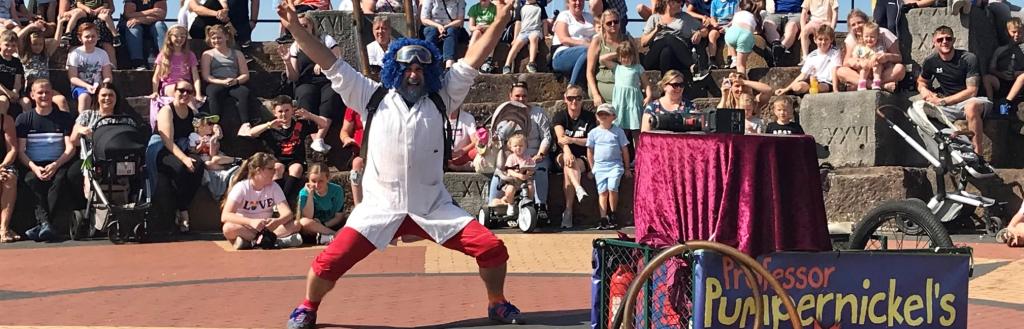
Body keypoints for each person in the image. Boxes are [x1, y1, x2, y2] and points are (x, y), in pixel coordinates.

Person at [278, 0, 524, 325]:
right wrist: (295, 28)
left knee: (493, 249)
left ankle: (497, 302)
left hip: (432, 207)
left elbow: (473, 59)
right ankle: (308, 306)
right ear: (394, 68)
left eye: (421, 68)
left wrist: (501, 19)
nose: (414, 73)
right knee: (327, 263)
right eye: (408, 67)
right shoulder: (370, 95)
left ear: (430, 70)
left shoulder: (443, 96)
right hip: (380, 208)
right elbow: (328, 62)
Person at [17, 79, 78, 242]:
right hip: (33, 165)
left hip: (57, 163)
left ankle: (42, 225)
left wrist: (56, 164)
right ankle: (45, 224)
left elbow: (70, 148)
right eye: (40, 92)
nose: (44, 95)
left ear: (52, 94)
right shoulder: (24, 119)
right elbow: (21, 151)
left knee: (58, 182)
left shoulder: (64, 118)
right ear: (32, 95)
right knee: (31, 181)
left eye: (47, 92)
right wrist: (35, 168)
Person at [239, 95, 328, 204]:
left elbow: (324, 124)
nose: (284, 114)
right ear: (274, 112)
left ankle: (281, 201)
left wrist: (309, 115)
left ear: (292, 110)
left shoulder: (300, 125)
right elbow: (251, 133)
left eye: (287, 110)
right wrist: (268, 125)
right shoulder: (271, 127)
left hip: (295, 159)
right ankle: (277, 201)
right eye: (280, 111)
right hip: (276, 159)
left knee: (296, 169)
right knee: (277, 168)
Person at [917, 26, 992, 155]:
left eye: (948, 38)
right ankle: (938, 153)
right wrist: (924, 91)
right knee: (918, 109)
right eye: (940, 39)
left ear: (954, 40)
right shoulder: (931, 61)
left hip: (974, 100)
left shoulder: (968, 58)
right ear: (934, 42)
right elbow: (921, 81)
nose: (944, 42)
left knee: (971, 107)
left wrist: (942, 101)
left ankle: (977, 153)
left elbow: (972, 91)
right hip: (948, 105)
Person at [486, 81, 552, 219]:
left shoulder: (538, 113)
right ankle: (492, 206)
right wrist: (513, 120)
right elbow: (499, 137)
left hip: (534, 155)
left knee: (540, 169)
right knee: (499, 171)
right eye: (517, 96)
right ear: (510, 96)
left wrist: (540, 153)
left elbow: (546, 137)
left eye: (524, 96)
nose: (521, 99)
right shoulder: (504, 113)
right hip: (512, 156)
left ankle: (541, 206)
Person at [280, 13, 342, 152]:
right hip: (306, 81)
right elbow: (294, 76)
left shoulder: (325, 39)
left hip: (327, 78)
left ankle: (320, 136)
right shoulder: (295, 46)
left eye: (305, 25)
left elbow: (338, 58)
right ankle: (314, 135)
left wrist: (324, 62)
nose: (303, 28)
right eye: (299, 26)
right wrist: (287, 62)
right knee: (306, 95)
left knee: (332, 94)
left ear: (312, 26)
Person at [221, 152, 303, 249]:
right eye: (270, 168)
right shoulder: (241, 187)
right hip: (247, 228)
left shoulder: (274, 187)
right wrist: (251, 222)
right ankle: (275, 241)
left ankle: (256, 242)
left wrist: (277, 221)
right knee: (228, 228)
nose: (274, 171)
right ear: (259, 170)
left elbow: (287, 213)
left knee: (296, 224)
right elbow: (225, 216)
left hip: (268, 229)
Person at [155, 80, 206, 233]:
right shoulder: (167, 110)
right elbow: (167, 141)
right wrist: (184, 159)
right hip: (164, 149)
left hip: (184, 148)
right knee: (180, 168)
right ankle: (182, 211)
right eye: (181, 90)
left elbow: (193, 136)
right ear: (174, 91)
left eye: (189, 92)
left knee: (198, 166)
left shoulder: (191, 113)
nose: (185, 94)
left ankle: (182, 206)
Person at [551, 84, 595, 229]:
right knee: (568, 161)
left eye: (578, 98)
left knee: (568, 168)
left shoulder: (589, 117)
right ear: (565, 99)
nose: (574, 102)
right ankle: (578, 188)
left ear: (583, 99)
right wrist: (568, 151)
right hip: (563, 154)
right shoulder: (560, 116)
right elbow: (560, 138)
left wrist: (573, 140)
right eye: (570, 98)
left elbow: (591, 140)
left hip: (583, 156)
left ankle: (568, 210)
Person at [834, 9, 905, 92]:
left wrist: (887, 57)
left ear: (867, 22)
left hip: (881, 72)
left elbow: (899, 57)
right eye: (853, 25)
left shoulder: (883, 33)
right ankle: (879, 85)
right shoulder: (851, 38)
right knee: (840, 71)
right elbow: (846, 63)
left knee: (900, 69)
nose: (857, 26)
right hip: (862, 73)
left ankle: (867, 84)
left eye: (860, 22)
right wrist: (857, 61)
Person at [599, 41, 651, 145]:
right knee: (621, 132)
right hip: (621, 104)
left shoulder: (638, 68)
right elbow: (602, 59)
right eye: (623, 57)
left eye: (628, 56)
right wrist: (618, 52)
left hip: (633, 103)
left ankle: (638, 157)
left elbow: (646, 84)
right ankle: (622, 158)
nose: (626, 59)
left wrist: (648, 96)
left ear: (633, 56)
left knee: (637, 132)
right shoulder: (617, 67)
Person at [587, 103, 629, 230]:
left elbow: (625, 149)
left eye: (606, 114)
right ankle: (603, 217)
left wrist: (627, 168)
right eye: (601, 114)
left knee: (612, 188)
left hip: (615, 165)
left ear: (613, 117)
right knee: (602, 191)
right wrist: (592, 168)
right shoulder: (593, 133)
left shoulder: (618, 131)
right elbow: (590, 151)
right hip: (599, 166)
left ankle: (613, 213)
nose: (603, 116)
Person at [202, 24, 254, 126]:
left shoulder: (237, 54)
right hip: (217, 81)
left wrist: (236, 81)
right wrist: (221, 82)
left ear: (226, 37)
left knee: (244, 93)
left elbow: (245, 74)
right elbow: (206, 76)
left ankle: (246, 124)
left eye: (219, 38)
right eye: (214, 38)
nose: (217, 40)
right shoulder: (208, 54)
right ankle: (215, 124)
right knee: (212, 93)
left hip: (233, 82)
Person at [150, 25, 202, 127]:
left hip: (186, 85)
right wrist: (155, 91)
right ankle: (197, 115)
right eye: (176, 36)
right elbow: (156, 76)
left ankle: (194, 118)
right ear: (170, 37)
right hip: (169, 85)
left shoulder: (190, 55)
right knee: (180, 92)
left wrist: (198, 93)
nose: (180, 39)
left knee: (185, 92)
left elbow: (195, 77)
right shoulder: (164, 55)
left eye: (183, 36)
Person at [639, 0, 705, 79]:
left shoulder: (685, 18)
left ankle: (666, 85)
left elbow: (705, 30)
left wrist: (699, 33)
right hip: (654, 58)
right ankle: (691, 65)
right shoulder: (654, 18)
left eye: (682, 2)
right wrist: (656, 31)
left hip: (676, 58)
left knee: (667, 52)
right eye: (678, 1)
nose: (681, 4)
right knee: (668, 38)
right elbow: (643, 42)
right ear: (668, 2)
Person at [775, 24, 839, 95]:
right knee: (798, 87)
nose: (823, 42)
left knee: (820, 87)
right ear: (815, 40)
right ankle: (809, 89)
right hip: (812, 81)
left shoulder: (834, 52)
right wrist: (786, 89)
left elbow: (834, 69)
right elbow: (803, 75)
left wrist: (835, 89)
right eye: (820, 39)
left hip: (826, 82)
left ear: (831, 40)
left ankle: (811, 89)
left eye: (826, 39)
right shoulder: (812, 55)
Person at [18, 29, 69, 113]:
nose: (38, 47)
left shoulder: (45, 55)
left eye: (40, 44)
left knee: (61, 99)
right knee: (26, 103)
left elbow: (57, 41)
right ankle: (31, 123)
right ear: (29, 44)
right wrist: (32, 26)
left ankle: (66, 124)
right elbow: (18, 38)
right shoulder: (24, 55)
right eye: (34, 44)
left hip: (46, 87)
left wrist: (60, 23)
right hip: (31, 88)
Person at [66, 22, 113, 114]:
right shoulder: (75, 54)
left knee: (107, 95)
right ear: (80, 38)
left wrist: (103, 84)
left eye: (93, 36)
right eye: (87, 37)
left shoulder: (102, 53)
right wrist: (87, 86)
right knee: (85, 97)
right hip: (80, 87)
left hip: (99, 85)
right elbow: (72, 78)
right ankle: (83, 122)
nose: (90, 39)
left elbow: (108, 75)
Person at [587, 9, 631, 106]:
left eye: (616, 22)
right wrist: (595, 94)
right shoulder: (597, 41)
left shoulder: (627, 40)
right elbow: (589, 71)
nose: (613, 24)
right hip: (603, 82)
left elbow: (636, 63)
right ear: (603, 25)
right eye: (609, 23)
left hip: (624, 80)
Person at [297, 163, 345, 245]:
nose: (316, 185)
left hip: (330, 224)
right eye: (313, 181)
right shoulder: (304, 192)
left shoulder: (337, 190)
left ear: (328, 178)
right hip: (312, 228)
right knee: (304, 222)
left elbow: (339, 217)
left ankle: (329, 236)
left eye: (320, 181)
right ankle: (336, 236)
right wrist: (310, 195)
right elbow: (308, 216)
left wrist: (323, 225)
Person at [984, 18, 1024, 114]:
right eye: (1013, 32)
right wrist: (1001, 74)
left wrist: (1018, 73)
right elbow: (991, 68)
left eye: (1020, 32)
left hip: (1018, 83)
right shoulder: (1000, 50)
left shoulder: (1022, 49)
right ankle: (990, 104)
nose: (1017, 35)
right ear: (1007, 32)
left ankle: (1007, 102)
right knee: (987, 78)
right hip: (1002, 81)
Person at [551, 0, 594, 86]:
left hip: (587, 52)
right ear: (568, 2)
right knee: (588, 51)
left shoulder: (589, 17)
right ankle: (572, 86)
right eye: (574, 0)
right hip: (563, 53)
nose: (578, 2)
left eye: (581, 0)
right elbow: (564, 39)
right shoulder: (564, 16)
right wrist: (584, 43)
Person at [489, 132, 534, 209]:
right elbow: (509, 170)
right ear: (511, 147)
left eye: (521, 146)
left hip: (525, 180)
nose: (518, 148)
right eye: (515, 146)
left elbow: (532, 168)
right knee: (509, 191)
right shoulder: (511, 158)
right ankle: (511, 204)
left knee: (531, 187)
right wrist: (518, 175)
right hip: (513, 181)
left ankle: (529, 203)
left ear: (525, 146)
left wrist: (528, 173)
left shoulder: (528, 157)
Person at [187, 0, 257, 49]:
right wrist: (217, 14)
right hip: (201, 28)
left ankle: (243, 38)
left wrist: (225, 11)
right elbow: (196, 8)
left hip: (224, 23)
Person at [120, 0, 168, 70]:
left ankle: (165, 59)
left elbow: (161, 14)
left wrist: (141, 19)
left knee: (160, 26)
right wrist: (153, 11)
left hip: (152, 23)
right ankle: (138, 63)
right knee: (133, 27)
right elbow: (128, 14)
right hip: (135, 23)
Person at [420, 0, 468, 70]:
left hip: (451, 25)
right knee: (432, 32)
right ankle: (426, 60)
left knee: (451, 31)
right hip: (431, 25)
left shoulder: (459, 1)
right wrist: (438, 26)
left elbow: (460, 20)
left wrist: (445, 27)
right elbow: (424, 19)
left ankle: (449, 64)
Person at [501, 0, 543, 74]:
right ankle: (507, 65)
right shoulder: (521, 8)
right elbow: (518, 23)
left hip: (535, 30)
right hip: (523, 32)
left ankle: (531, 62)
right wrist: (515, 38)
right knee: (516, 45)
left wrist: (545, 34)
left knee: (533, 39)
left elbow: (544, 21)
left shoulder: (540, 7)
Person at [849, 22, 892, 90]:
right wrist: (860, 62)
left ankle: (876, 81)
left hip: (876, 69)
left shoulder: (878, 47)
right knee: (864, 68)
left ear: (877, 37)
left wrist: (874, 59)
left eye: (872, 37)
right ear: (862, 36)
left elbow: (880, 55)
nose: (869, 39)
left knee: (878, 65)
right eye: (866, 36)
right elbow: (854, 57)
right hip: (864, 68)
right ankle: (862, 83)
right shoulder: (860, 47)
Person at [763, 0, 802, 64]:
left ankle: (779, 51)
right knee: (768, 24)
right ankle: (776, 46)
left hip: (796, 13)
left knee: (792, 26)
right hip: (775, 13)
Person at [339, 107, 365, 205]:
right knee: (357, 163)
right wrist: (346, 138)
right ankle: (358, 204)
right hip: (359, 151)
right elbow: (344, 131)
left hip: (380, 150)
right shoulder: (353, 106)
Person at [723, 0, 756, 74]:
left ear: (739, 8)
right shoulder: (753, 16)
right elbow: (756, 30)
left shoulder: (737, 14)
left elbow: (730, 24)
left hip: (730, 34)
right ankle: (742, 82)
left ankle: (734, 58)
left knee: (729, 36)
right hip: (745, 35)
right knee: (741, 65)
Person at [0, 99, 16, 243]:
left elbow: (12, 149)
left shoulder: (6, 120)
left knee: (10, 177)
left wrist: (2, 166)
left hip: (2, 165)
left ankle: (3, 228)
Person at [467, 0, 497, 71]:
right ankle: (469, 55)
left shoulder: (495, 8)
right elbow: (471, 27)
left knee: (490, 34)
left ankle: (488, 61)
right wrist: (477, 28)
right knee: (476, 32)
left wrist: (486, 27)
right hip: (478, 31)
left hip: (490, 31)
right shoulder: (473, 8)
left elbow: (496, 25)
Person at [0, 30, 24, 117]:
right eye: (6, 45)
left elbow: (18, 81)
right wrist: (8, 93)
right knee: (3, 101)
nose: (10, 48)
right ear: (0, 44)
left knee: (26, 102)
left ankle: (28, 127)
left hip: (13, 93)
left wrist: (15, 91)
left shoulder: (17, 62)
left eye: (13, 45)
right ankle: (2, 127)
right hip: (2, 92)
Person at [448, 107, 478, 172]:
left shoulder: (468, 118)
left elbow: (475, 141)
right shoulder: (439, 117)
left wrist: (461, 151)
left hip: (462, 156)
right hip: (444, 157)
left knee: (478, 150)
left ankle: (455, 166)